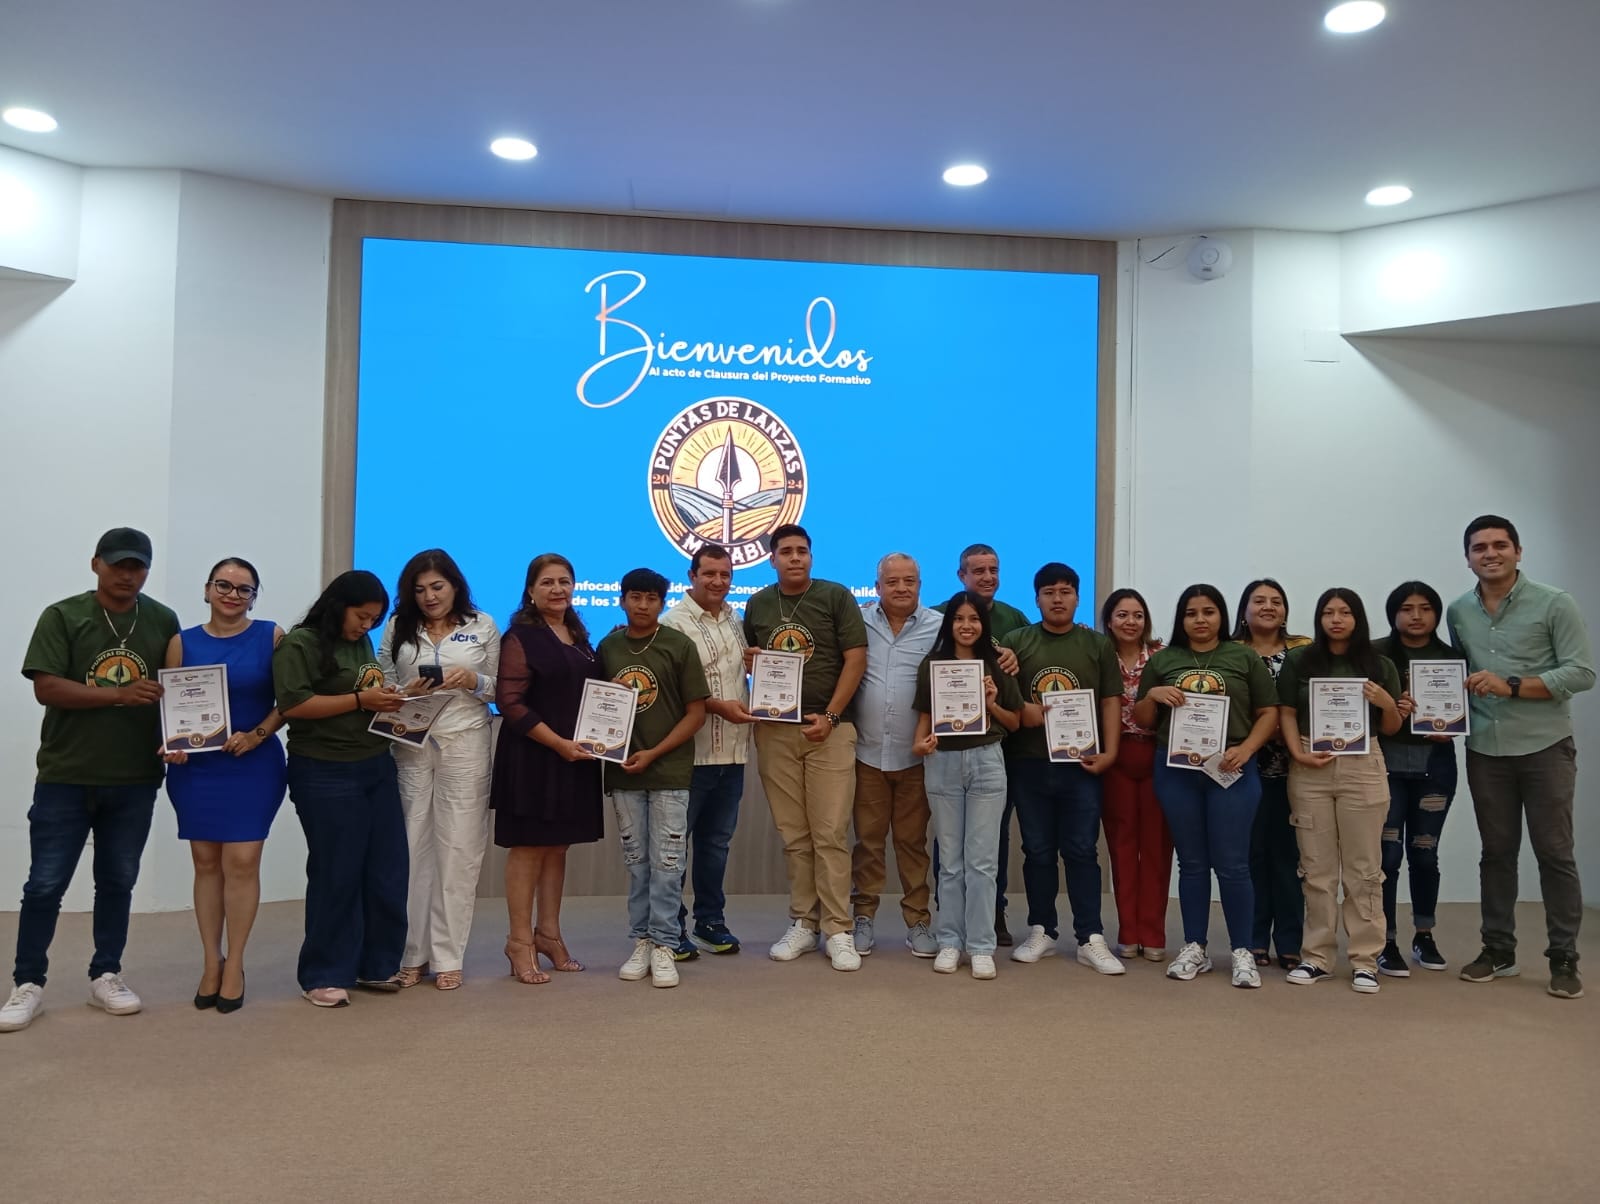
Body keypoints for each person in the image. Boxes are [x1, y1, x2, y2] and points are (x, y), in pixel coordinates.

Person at [2, 528, 180, 1034]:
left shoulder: (163, 620)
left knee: (118, 881)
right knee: (44, 884)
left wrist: (183, 737)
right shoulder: (63, 615)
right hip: (67, 773)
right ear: (96, 563)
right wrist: (118, 695)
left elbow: (178, 691)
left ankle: (106, 974)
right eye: (118, 564)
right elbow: (46, 687)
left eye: (137, 566)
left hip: (135, 777)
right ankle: (27, 982)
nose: (128, 575)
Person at [1447, 515, 1594, 999]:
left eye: (1500, 545)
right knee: (1496, 854)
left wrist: (1511, 685)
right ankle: (1498, 950)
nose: (1490, 554)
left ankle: (1564, 957)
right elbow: (1456, 675)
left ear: (1517, 551)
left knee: (1554, 853)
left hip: (1545, 747)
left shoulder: (1555, 602)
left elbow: (1581, 673)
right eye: (1479, 548)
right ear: (1467, 557)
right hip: (1485, 749)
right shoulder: (1458, 611)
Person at [273, 570, 409, 1008]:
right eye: (361, 616)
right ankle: (324, 973)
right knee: (337, 872)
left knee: (387, 868)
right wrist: (360, 700)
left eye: (373, 620)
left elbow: (362, 687)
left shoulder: (361, 643)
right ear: (338, 606)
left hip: (376, 764)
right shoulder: (300, 644)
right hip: (325, 771)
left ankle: (376, 963)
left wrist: (389, 696)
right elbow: (294, 704)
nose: (366, 626)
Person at [1134, 584, 1278, 989]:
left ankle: (1242, 950)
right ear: (1181, 619)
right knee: (1192, 862)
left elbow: (1269, 712)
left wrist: (1246, 749)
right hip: (1176, 771)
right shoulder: (1164, 660)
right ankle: (1194, 946)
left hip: (1231, 769)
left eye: (1209, 612)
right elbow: (1143, 718)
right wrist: (1153, 695)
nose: (1200, 619)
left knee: (1233, 864)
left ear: (1222, 616)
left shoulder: (1243, 657)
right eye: (1191, 613)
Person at [161, 557, 287, 1014]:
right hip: (197, 769)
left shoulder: (272, 636)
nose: (232, 595)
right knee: (205, 862)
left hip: (253, 764)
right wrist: (172, 744)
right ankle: (210, 961)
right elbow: (170, 708)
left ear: (254, 597)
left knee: (243, 860)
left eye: (243, 589)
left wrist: (257, 735)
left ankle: (235, 963)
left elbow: (289, 699)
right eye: (224, 585)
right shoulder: (182, 642)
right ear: (207, 589)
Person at [743, 524, 868, 971]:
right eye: (786, 552)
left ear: (811, 557)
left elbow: (856, 658)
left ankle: (838, 929)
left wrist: (831, 716)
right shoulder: (758, 603)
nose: (795, 558)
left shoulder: (835, 596)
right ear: (772, 559)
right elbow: (753, 660)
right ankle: (803, 922)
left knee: (829, 833)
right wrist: (752, 662)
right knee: (794, 835)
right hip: (776, 731)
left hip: (829, 730)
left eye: (802, 551)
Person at [378, 549, 500, 992]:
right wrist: (401, 689)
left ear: (454, 586)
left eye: (437, 587)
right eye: (420, 589)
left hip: (465, 740)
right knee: (411, 848)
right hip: (411, 743)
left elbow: (502, 687)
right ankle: (412, 954)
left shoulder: (482, 624)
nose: (429, 597)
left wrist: (475, 681)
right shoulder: (398, 626)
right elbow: (380, 679)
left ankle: (449, 955)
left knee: (459, 849)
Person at [1000, 562, 1126, 975]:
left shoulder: (1096, 644)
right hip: (1029, 762)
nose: (1058, 599)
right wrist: (1024, 708)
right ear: (1036, 599)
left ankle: (1090, 936)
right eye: (1049, 592)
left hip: (1082, 764)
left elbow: (1111, 700)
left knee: (1082, 850)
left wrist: (1110, 752)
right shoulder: (1017, 641)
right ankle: (1043, 930)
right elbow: (1004, 697)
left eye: (1066, 591)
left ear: (1077, 597)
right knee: (1036, 850)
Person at [1278, 588, 1403, 995]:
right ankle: (1316, 957)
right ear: (1319, 618)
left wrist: (1387, 703)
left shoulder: (1379, 664)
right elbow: (1286, 712)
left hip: (1362, 766)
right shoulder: (1300, 660)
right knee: (1316, 870)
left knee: (1364, 870)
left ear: (1357, 618)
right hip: (1310, 764)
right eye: (1328, 612)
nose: (1336, 619)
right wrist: (1298, 753)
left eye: (1345, 612)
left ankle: (1365, 960)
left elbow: (1391, 727)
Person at [490, 553, 605, 984]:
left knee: (558, 848)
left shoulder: (579, 635)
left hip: (574, 757)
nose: (558, 589)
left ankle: (549, 934)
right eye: (548, 582)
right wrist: (558, 744)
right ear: (531, 590)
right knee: (528, 848)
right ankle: (519, 940)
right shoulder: (520, 637)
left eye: (564, 581)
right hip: (534, 757)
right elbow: (510, 703)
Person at [599, 568, 708, 989]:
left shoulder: (678, 645)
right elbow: (597, 707)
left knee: (668, 863)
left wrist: (655, 753)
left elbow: (696, 714)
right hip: (623, 772)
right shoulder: (608, 647)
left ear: (662, 603)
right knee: (637, 863)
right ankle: (641, 940)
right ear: (622, 600)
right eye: (635, 597)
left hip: (669, 772)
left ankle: (665, 943)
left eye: (651, 598)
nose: (642, 605)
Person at [912, 592, 1024, 979]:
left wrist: (990, 703)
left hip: (987, 762)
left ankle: (980, 946)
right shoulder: (933, 665)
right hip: (942, 762)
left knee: (982, 862)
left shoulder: (997, 664)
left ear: (983, 624)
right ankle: (949, 941)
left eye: (973, 618)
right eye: (958, 618)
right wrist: (919, 745)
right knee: (951, 862)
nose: (966, 625)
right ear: (949, 624)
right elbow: (923, 723)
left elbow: (1015, 722)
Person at [662, 543, 755, 957]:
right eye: (709, 574)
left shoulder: (735, 619)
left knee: (716, 845)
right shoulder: (674, 623)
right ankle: (671, 926)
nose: (718, 581)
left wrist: (756, 664)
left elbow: (739, 674)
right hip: (691, 755)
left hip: (732, 754)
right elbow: (674, 690)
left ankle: (710, 922)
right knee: (674, 847)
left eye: (725, 575)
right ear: (692, 576)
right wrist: (718, 707)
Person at [851, 552, 940, 958]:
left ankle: (918, 921)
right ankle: (863, 917)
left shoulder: (939, 626)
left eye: (909, 581)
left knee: (912, 844)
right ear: (877, 587)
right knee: (867, 844)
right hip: (867, 753)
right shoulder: (858, 622)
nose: (902, 588)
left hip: (917, 758)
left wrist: (1004, 654)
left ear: (920, 585)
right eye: (892, 582)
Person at [938, 543, 1027, 944]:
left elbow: (1024, 669)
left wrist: (1012, 659)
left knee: (991, 838)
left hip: (998, 746)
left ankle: (994, 912)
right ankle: (949, 917)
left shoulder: (1015, 619)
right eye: (978, 570)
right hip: (950, 747)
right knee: (949, 842)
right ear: (962, 576)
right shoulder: (941, 614)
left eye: (993, 569)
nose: (988, 577)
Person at [1373, 581, 1460, 976]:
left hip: (1434, 766)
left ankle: (1424, 935)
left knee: (1425, 852)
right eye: (1406, 608)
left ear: (1436, 614)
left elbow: (1465, 708)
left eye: (1425, 608)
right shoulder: (1375, 654)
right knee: (1387, 856)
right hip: (1385, 765)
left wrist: (1453, 728)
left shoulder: (1452, 657)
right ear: (1393, 613)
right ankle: (1385, 939)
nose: (1416, 616)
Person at [1234, 578, 1311, 971]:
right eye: (1259, 600)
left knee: (1289, 857)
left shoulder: (1305, 650)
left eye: (1276, 601)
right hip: (1241, 767)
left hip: (1296, 768)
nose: (1268, 607)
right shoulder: (1229, 651)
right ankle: (1253, 939)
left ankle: (1291, 941)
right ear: (1244, 610)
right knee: (1251, 855)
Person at [1099, 588, 1171, 961]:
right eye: (1122, 615)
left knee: (1157, 846)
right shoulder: (1098, 655)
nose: (1131, 622)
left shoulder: (1163, 656)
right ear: (1109, 620)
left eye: (1138, 615)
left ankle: (1154, 933)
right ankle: (1128, 931)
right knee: (1122, 846)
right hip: (1115, 755)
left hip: (1158, 755)